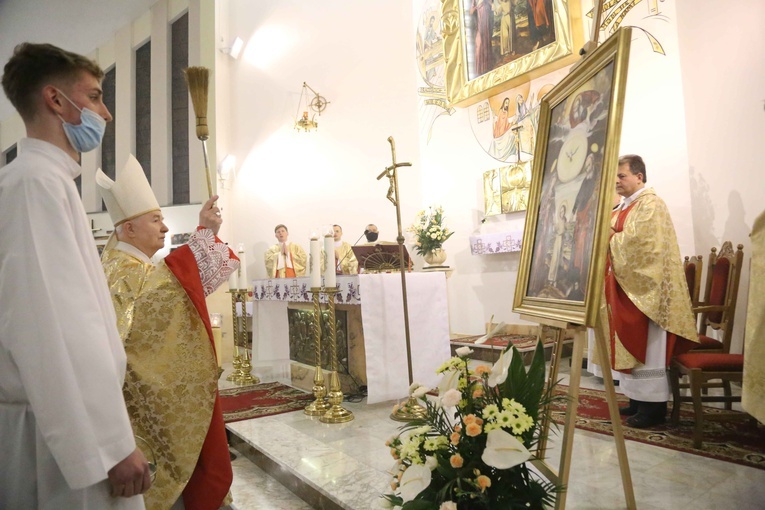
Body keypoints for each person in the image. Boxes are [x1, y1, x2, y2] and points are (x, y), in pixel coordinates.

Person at [0, 42, 151, 509]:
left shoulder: (49, 181)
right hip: (67, 437)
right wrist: (112, 444)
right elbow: (56, 328)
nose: (104, 113)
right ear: (55, 100)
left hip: (74, 422)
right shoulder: (33, 184)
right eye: (94, 96)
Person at [96, 155, 239, 509]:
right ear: (127, 229)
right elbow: (167, 293)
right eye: (156, 219)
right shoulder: (123, 269)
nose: (164, 227)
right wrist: (203, 234)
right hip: (137, 416)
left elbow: (169, 294)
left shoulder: (129, 265)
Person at [601, 155, 699, 428]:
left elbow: (640, 244)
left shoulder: (651, 205)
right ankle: (636, 399)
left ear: (639, 177)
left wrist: (607, 235)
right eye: (616, 177)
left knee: (649, 348)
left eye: (622, 176)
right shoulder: (626, 205)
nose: (617, 182)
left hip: (648, 292)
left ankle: (653, 408)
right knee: (630, 345)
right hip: (627, 286)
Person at [470, 0, 494, 76]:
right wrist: (475, 9)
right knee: (479, 41)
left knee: (485, 37)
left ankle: (486, 65)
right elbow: (471, 11)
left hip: (485, 13)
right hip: (478, 17)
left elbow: (491, 4)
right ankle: (481, 67)